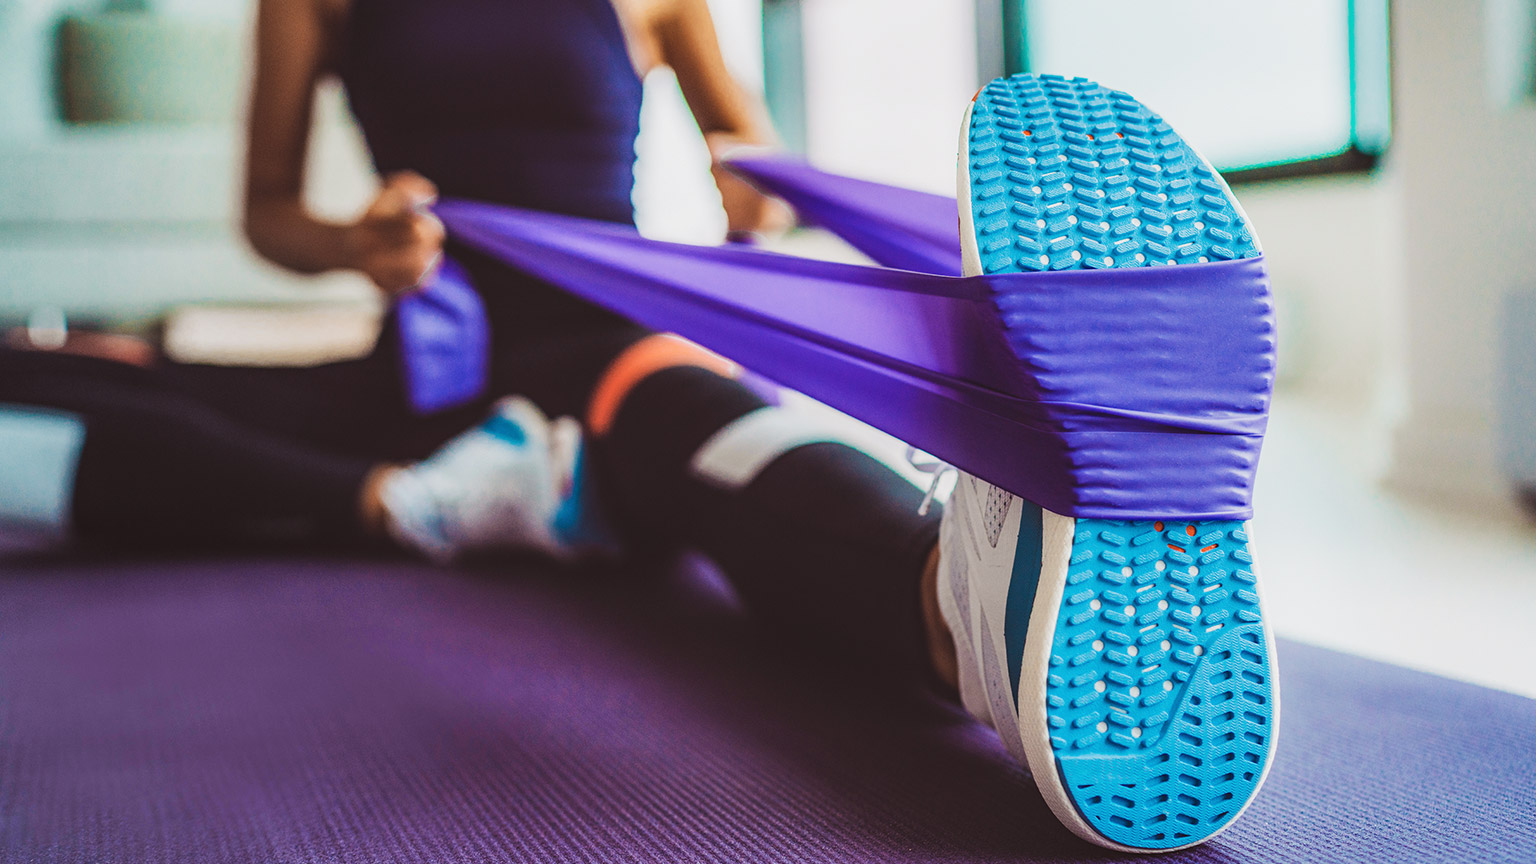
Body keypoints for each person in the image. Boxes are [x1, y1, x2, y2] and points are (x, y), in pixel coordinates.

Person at [0, 0, 1275, 850]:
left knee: (693, 425)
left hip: (608, 330)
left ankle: (959, 611)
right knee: (58, 379)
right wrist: (357, 238)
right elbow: (268, 211)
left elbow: (744, 142)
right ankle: (419, 494)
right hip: (432, 360)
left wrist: (745, 178)